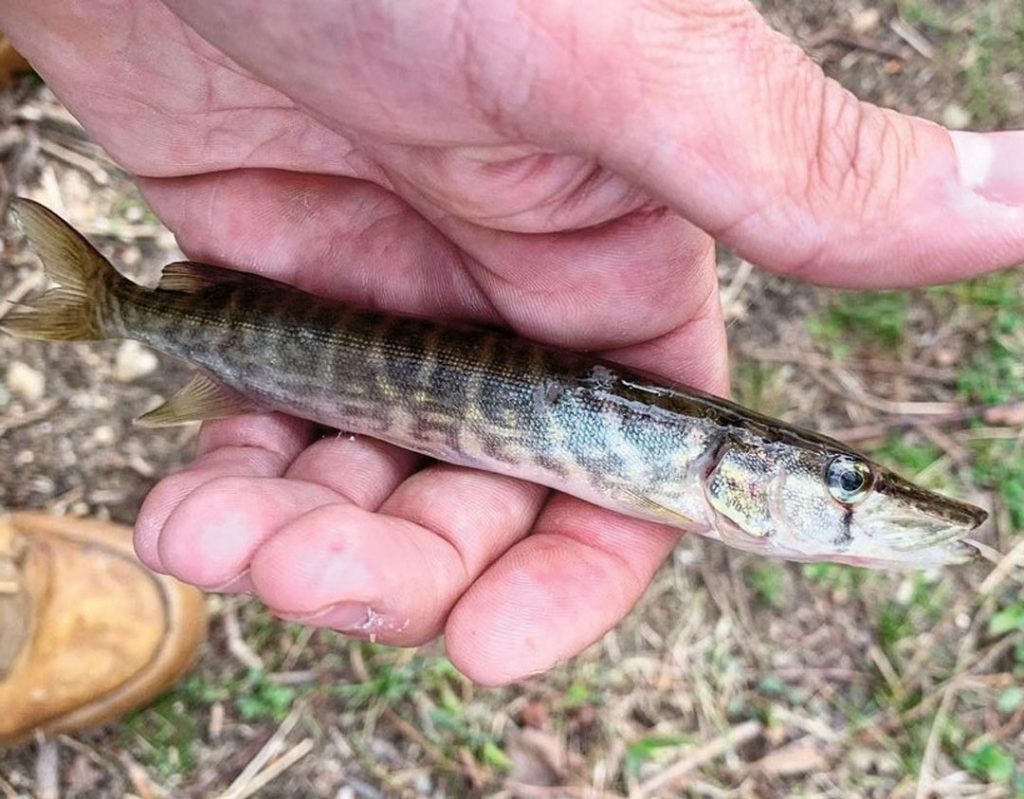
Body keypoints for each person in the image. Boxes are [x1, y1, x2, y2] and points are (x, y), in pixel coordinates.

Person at [1, 0, 1021, 689]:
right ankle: (106, 267)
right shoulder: (688, 467)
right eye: (841, 480)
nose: (851, 493)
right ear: (746, 470)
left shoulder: (688, 470)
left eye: (847, 481)